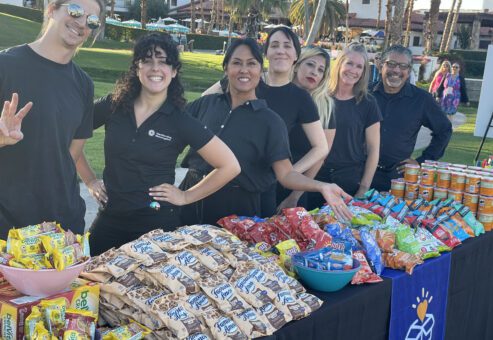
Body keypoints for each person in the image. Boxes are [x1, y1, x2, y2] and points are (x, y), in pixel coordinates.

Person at [76, 33, 240, 255]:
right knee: (88, 278)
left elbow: (230, 165)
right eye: (147, 61)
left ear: (173, 71)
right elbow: (72, 136)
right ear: (137, 68)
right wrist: (90, 180)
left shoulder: (180, 120)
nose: (155, 68)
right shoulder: (113, 105)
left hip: (155, 225)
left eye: (163, 62)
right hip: (111, 217)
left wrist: (185, 196)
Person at [180, 38, 352, 225]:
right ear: (226, 68)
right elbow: (170, 129)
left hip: (237, 212)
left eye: (251, 64)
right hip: (191, 200)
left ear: (260, 70)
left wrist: (321, 186)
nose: (244, 70)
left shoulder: (271, 122)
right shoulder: (205, 104)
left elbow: (286, 174)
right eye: (237, 63)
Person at [0, 0, 104, 238]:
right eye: (75, 11)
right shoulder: (4, 65)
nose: (82, 23)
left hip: (64, 225)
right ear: (51, 9)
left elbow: (71, 154)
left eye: (92, 21)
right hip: (8, 228)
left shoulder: (84, 84)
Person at [202, 26, 328, 216]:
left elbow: (321, 147)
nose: (280, 51)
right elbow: (201, 106)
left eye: (287, 46)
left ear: (296, 55)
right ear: (266, 53)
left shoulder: (300, 98)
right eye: (274, 45)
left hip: (260, 191)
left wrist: (288, 173)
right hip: (220, 181)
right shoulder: (243, 78)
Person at [308, 43, 381, 209]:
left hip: (348, 182)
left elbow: (373, 149)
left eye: (359, 66)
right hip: (315, 178)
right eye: (349, 63)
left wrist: (363, 189)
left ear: (363, 72)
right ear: (339, 63)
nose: (353, 70)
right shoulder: (319, 97)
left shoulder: (368, 103)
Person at [371, 45, 452, 191]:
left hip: (395, 179)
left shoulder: (421, 100)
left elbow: (444, 129)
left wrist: (422, 161)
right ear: (381, 66)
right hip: (357, 174)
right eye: (391, 64)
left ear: (408, 71)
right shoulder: (365, 94)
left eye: (403, 66)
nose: (396, 70)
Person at [277, 46, 336, 209]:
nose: (314, 72)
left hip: (297, 186)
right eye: (310, 64)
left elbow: (320, 158)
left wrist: (295, 195)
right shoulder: (276, 94)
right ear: (296, 65)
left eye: (320, 70)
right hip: (263, 181)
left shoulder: (326, 107)